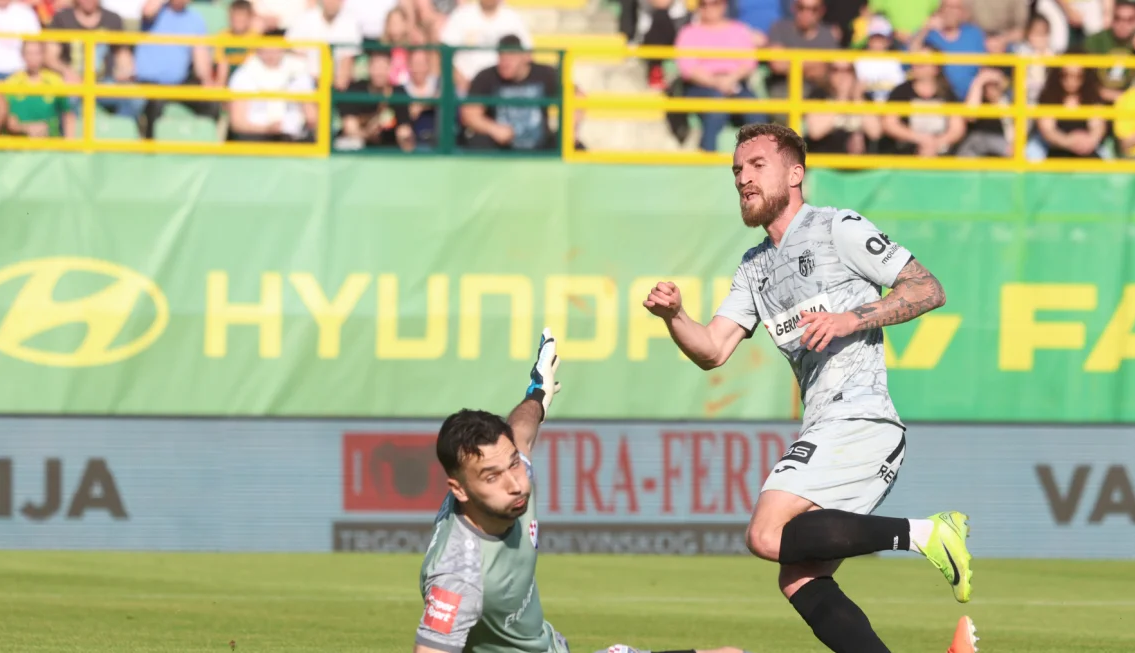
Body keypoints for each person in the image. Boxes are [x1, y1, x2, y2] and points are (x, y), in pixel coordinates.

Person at [641, 123, 979, 653]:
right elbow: (712, 349)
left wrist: (853, 318)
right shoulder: (754, 268)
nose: (743, 179)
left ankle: (926, 533)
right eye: (736, 170)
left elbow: (927, 287)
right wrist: (675, 315)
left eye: (756, 166)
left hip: (861, 419)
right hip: (830, 424)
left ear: (795, 174)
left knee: (765, 534)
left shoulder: (837, 227)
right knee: (797, 575)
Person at [414, 329, 756, 653]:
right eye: (491, 477)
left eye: (514, 465)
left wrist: (537, 394)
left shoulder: (509, 467)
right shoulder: (458, 576)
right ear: (458, 490)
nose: (515, 483)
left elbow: (522, 429)